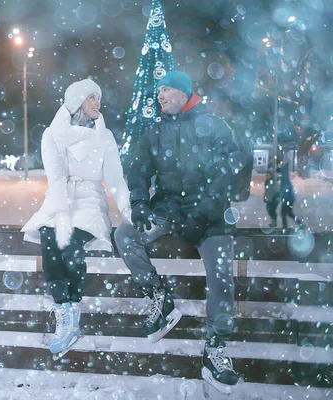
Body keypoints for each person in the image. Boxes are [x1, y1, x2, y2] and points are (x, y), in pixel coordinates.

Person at [114, 71, 241, 393]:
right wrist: (140, 201)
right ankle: (159, 296)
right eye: (158, 91)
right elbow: (138, 169)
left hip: (212, 217)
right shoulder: (154, 132)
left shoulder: (214, 126)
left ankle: (215, 348)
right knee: (126, 235)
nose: (159, 96)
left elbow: (228, 174)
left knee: (222, 277)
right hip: (169, 209)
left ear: (185, 92)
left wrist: (202, 214)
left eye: (166, 89)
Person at [22, 79, 131, 360]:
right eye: (91, 97)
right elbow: (56, 177)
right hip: (60, 200)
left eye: (99, 97)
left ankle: (74, 313)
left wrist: (129, 210)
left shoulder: (104, 137)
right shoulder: (53, 135)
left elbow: (116, 178)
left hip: (91, 202)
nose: (98, 102)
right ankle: (64, 312)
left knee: (69, 242)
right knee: (51, 238)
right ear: (76, 101)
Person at [279, 163, 303, 231]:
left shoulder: (284, 178)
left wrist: (283, 196)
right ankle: (300, 224)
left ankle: (285, 228)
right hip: (289, 199)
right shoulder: (285, 177)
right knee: (289, 213)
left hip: (288, 200)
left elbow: (286, 189)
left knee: (284, 214)